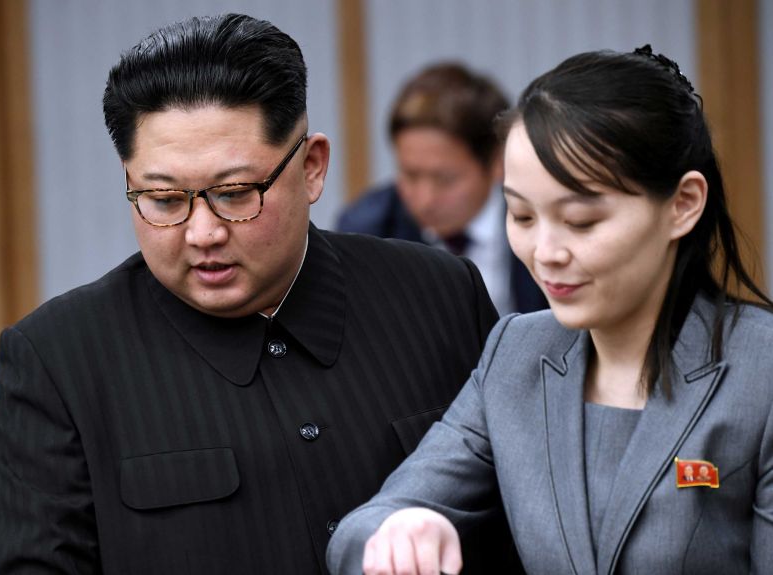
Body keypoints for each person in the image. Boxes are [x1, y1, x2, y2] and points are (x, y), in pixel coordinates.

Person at [0, 13, 519, 574]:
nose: (203, 233)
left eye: (235, 193)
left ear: (311, 168)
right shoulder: (57, 361)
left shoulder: (440, 297)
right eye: (164, 200)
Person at [327, 45, 773, 574]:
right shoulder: (517, 353)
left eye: (581, 221)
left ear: (683, 204)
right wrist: (399, 529)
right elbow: (365, 528)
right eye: (521, 216)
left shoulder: (760, 371)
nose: (546, 252)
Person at [337, 63, 547, 315]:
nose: (424, 200)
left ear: (497, 163)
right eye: (410, 175)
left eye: (445, 179)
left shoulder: (545, 221)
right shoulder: (368, 234)